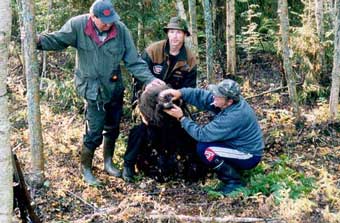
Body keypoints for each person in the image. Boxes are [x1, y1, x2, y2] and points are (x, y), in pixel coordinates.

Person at [34, 0, 164, 185]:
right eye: (104, 20)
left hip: (114, 87)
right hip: (92, 89)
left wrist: (150, 80)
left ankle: (108, 162)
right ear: (92, 17)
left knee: (113, 127)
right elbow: (58, 39)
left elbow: (133, 60)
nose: (108, 23)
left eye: (111, 19)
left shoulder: (121, 30)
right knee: (94, 131)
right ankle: (86, 168)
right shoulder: (78, 25)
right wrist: (38, 41)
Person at [122, 16, 198, 182]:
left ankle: (184, 166)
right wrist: (140, 104)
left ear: (185, 35)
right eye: (171, 32)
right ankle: (128, 164)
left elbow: (189, 89)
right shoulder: (152, 51)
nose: (175, 36)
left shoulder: (190, 60)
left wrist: (177, 104)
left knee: (184, 130)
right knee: (140, 129)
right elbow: (138, 77)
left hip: (173, 102)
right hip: (146, 101)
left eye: (178, 32)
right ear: (167, 34)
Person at [161, 79, 264, 194]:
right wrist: (180, 93)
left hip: (248, 155)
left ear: (229, 101)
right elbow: (202, 96)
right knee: (206, 146)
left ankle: (234, 182)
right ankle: (232, 171)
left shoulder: (234, 116)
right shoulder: (227, 102)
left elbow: (202, 135)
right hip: (236, 144)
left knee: (205, 149)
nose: (214, 96)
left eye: (218, 96)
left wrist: (182, 118)